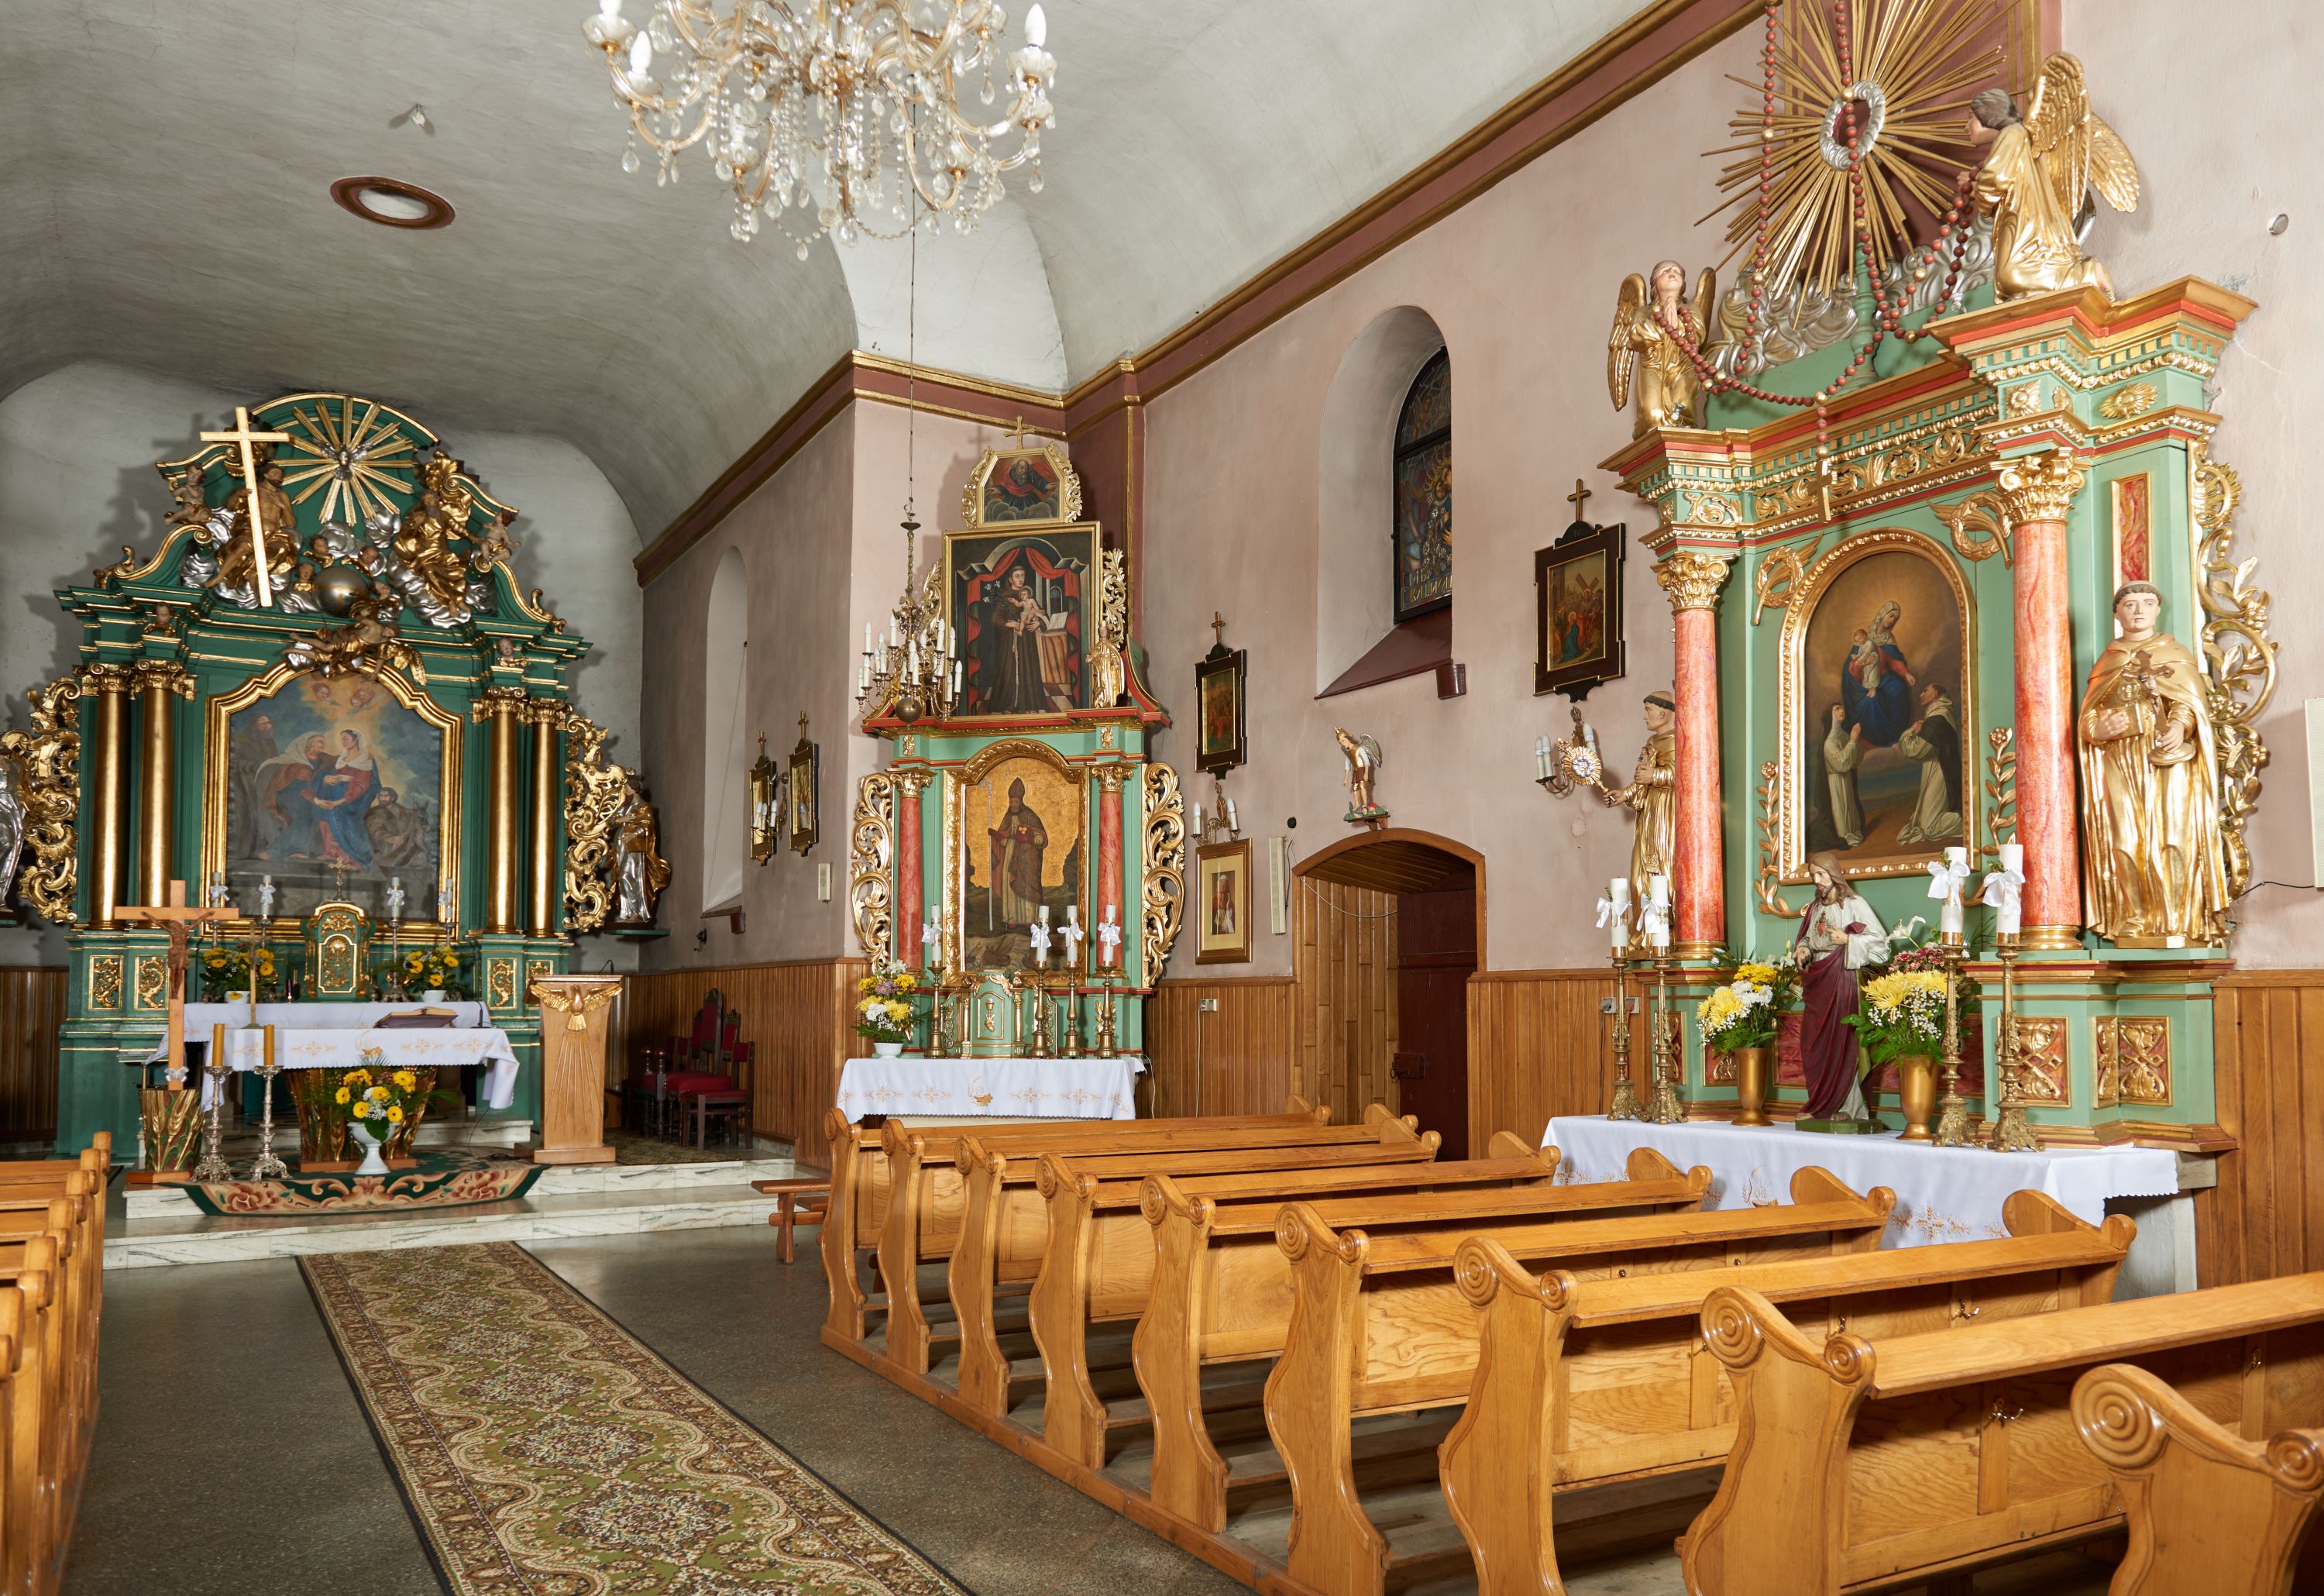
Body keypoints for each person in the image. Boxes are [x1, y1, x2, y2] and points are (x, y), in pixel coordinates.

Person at [2077, 582, 2227, 943]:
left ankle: (2175, 916)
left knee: (2172, 835)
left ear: (2158, 610)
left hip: (2165, 757)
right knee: (2125, 840)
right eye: (2130, 604)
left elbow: (2189, 705)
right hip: (2120, 758)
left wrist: (2180, 726)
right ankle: (2137, 916)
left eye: (2147, 603)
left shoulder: (2174, 653)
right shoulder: (2107, 662)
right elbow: (2089, 715)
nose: (2139, 610)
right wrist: (2098, 729)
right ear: (2117, 613)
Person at [1793, 851, 1897, 1122]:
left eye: (1821, 874)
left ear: (1834, 874)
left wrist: (1848, 941)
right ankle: (1819, 1104)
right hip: (1818, 982)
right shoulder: (1815, 908)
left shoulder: (1854, 904)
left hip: (1842, 978)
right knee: (1814, 1043)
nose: (1817, 880)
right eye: (1813, 875)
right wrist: (1803, 949)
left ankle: (1847, 1108)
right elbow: (1808, 937)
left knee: (1842, 1042)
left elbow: (1880, 944)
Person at [1614, 693, 1676, 889]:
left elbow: (1684, 776)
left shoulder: (1676, 740)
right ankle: (1642, 908)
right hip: (1650, 810)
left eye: (1648, 710)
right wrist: (1625, 794)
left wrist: (1655, 775)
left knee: (1663, 865)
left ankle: (1668, 909)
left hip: (1667, 809)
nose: (1644, 716)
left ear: (1663, 713)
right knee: (1639, 876)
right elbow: (1642, 777)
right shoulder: (1651, 741)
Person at [1895, 681, 1965, 845]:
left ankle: (1969, 819)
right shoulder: (1940, 715)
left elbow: (1915, 750)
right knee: (1924, 820)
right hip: (1939, 767)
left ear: (1935, 695)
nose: (1921, 694)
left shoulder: (1937, 719)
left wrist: (1909, 732)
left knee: (1929, 827)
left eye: (1925, 691)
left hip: (1941, 770)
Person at [1840, 600, 1917, 746]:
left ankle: (1897, 735)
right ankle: (1879, 740)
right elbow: (1850, 667)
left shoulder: (1889, 639)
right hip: (1865, 681)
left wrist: (1906, 674)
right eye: (1891, 616)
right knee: (1871, 702)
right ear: (1882, 614)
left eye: (1895, 619)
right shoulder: (1864, 637)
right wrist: (1862, 664)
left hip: (1885, 679)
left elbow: (1893, 661)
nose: (1892, 620)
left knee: (1899, 688)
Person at [977, 564, 1052, 714]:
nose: (1021, 579)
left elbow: (1043, 614)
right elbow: (996, 617)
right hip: (1010, 640)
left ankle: (1030, 705)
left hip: (1027, 640)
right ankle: (1008, 705)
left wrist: (1039, 623)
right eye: (1017, 576)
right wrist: (1008, 623)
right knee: (1009, 670)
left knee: (1029, 670)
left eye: (1022, 576)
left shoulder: (1028, 596)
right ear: (1011, 579)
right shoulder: (1005, 598)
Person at [311, 728, 380, 869]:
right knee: (324, 813)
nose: (343, 741)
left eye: (346, 738)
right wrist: (326, 777)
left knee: (343, 817)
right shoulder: (341, 759)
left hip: (354, 801)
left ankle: (355, 859)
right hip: (335, 795)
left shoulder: (365, 759)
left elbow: (360, 785)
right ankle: (333, 852)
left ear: (356, 740)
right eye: (342, 738)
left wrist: (341, 801)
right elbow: (331, 774)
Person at [987, 778, 1048, 928]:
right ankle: (1012, 917)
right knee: (1010, 886)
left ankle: (1029, 918)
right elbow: (1004, 841)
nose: (1014, 804)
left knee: (1027, 887)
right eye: (1011, 801)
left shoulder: (1030, 816)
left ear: (1021, 801)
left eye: (1016, 801)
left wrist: (1029, 839)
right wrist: (996, 836)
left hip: (1027, 858)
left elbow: (1041, 838)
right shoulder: (1008, 817)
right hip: (1011, 854)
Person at [1822, 704, 1865, 848]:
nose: (1842, 711)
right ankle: (1845, 835)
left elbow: (1856, 760)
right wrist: (1853, 741)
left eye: (1842, 708)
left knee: (1850, 807)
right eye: (1837, 709)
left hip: (1846, 778)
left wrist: (1855, 742)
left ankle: (1853, 832)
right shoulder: (1829, 742)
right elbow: (1841, 764)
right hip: (1836, 780)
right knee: (1841, 809)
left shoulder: (1843, 735)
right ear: (1831, 716)